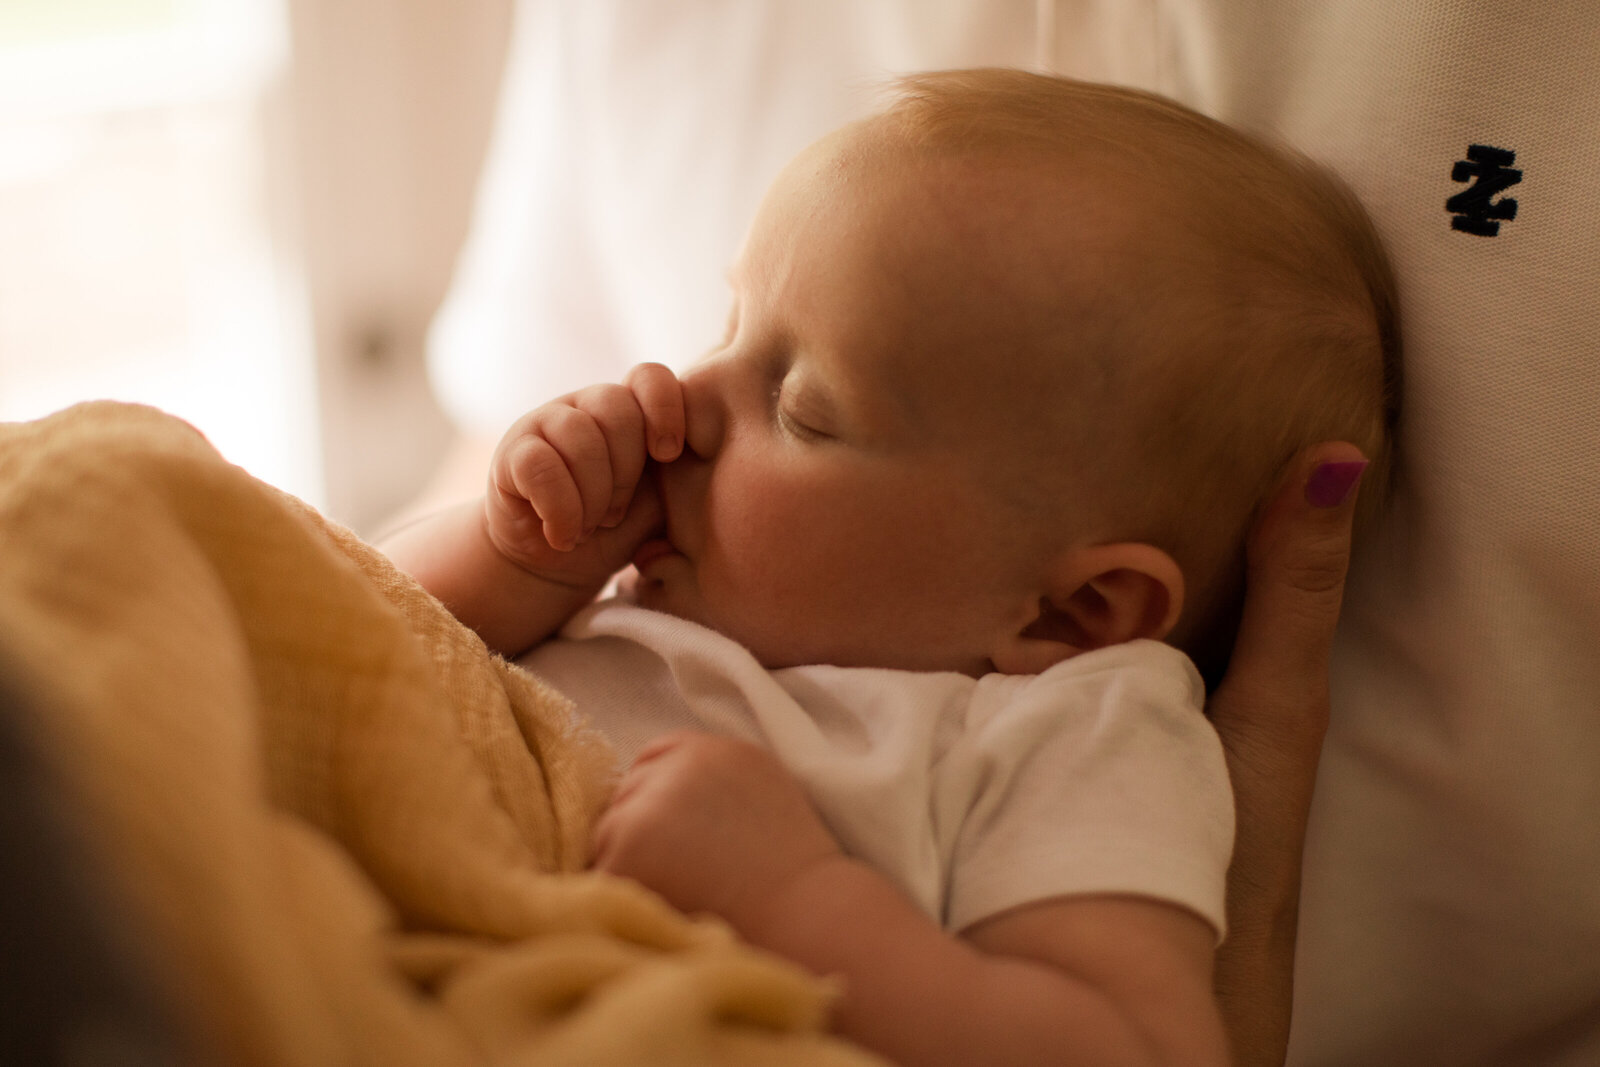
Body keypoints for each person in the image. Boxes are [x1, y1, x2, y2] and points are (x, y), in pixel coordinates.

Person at [386, 70, 1394, 1066]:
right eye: (727, 329)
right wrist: (513, 555)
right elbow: (372, 636)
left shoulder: (1068, 729)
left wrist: (795, 899)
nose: (684, 395)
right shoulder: (643, 577)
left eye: (797, 404)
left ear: (1073, 612)